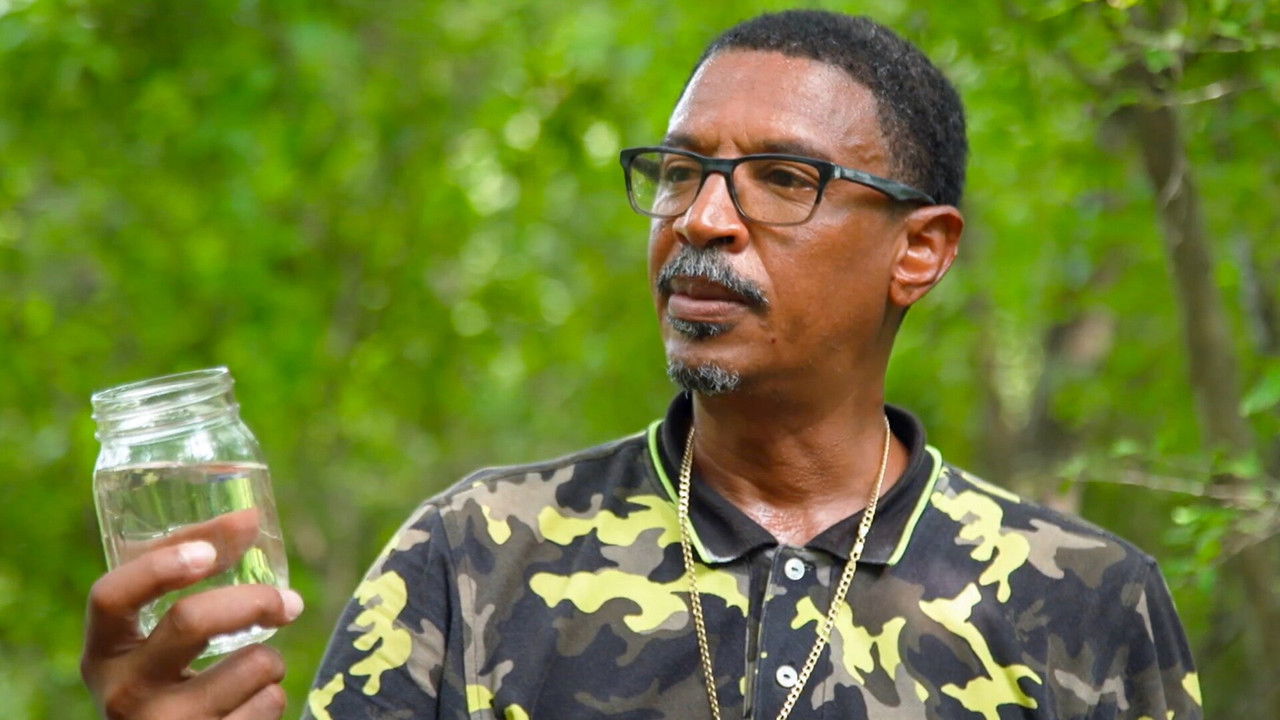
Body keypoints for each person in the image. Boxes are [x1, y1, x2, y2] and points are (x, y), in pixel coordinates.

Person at [81, 10, 1202, 720]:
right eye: (677, 172)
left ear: (919, 251)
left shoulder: (1085, 600)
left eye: (782, 179)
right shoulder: (470, 558)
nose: (702, 218)